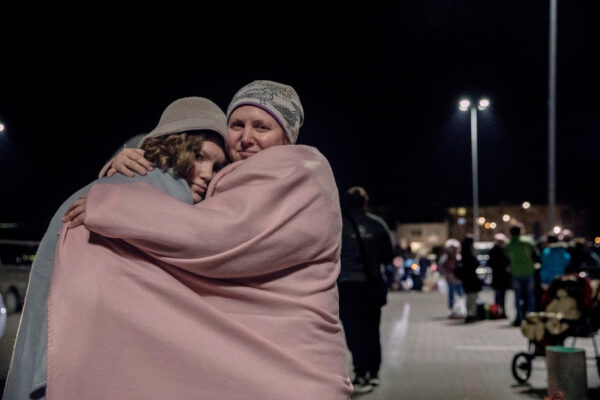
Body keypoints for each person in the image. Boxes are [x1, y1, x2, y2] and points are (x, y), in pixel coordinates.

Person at [57, 80, 353, 399]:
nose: (246, 138)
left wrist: (114, 206)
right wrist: (133, 162)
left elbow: (219, 236)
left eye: (262, 126)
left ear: (287, 136)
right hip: (262, 368)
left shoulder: (302, 171)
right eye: (236, 125)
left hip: (296, 369)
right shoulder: (237, 184)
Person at [3, 96, 229, 400]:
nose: (207, 174)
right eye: (199, 157)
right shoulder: (169, 193)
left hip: (48, 356)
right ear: (178, 148)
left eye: (216, 167)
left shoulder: (124, 180)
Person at [338, 186, 393, 394]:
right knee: (372, 329)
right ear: (366, 202)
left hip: (346, 286)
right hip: (370, 285)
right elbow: (388, 256)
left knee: (352, 331)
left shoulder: (338, 225)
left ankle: (360, 370)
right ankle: (374, 371)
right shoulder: (378, 225)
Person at [505, 224, 539, 327]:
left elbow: (506, 258)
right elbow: (536, 255)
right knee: (530, 295)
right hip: (529, 271)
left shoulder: (509, 244)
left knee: (517, 296)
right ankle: (532, 317)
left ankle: (518, 317)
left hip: (515, 272)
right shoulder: (528, 241)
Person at [439, 238, 465, 318]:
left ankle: (460, 310)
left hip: (458, 279)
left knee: (460, 295)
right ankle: (452, 310)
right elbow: (442, 269)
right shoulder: (445, 258)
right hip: (450, 279)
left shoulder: (459, 257)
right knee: (452, 295)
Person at [460, 235, 481, 323]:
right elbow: (475, 262)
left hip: (466, 278)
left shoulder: (463, 252)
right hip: (471, 278)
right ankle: (471, 314)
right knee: (472, 297)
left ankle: (469, 313)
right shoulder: (470, 252)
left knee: (469, 297)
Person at [488, 233, 510, 318]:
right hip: (499, 276)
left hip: (499, 276)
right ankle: (498, 312)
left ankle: (500, 312)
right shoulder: (501, 250)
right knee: (499, 296)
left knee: (500, 296)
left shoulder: (495, 250)